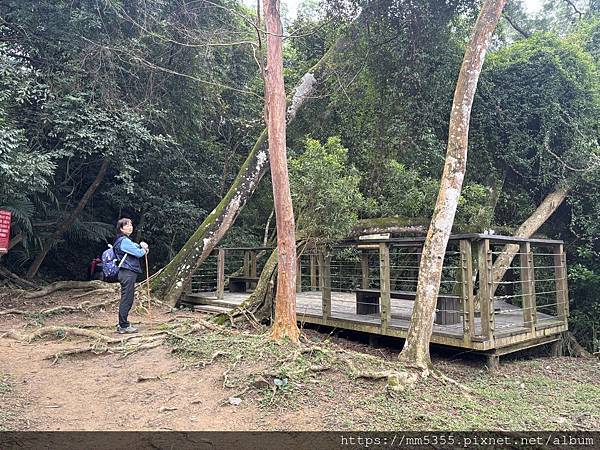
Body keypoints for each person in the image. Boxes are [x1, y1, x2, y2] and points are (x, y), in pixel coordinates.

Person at [113, 218, 149, 334]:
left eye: (131, 225)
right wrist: (144, 249)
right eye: (127, 225)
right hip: (127, 273)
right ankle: (123, 325)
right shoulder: (124, 241)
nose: (130, 227)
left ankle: (122, 324)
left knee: (126, 298)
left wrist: (141, 247)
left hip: (126, 273)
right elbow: (139, 253)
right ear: (121, 229)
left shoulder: (124, 240)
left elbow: (136, 248)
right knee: (127, 299)